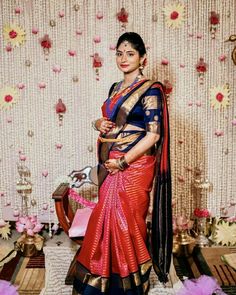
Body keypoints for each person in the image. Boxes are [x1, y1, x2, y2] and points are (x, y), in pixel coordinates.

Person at [73, 32, 172, 295]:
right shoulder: (115, 89)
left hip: (134, 168)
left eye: (130, 54)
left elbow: (153, 134)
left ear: (142, 59)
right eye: (119, 53)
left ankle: (130, 285)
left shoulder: (151, 89)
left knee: (128, 224)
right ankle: (103, 280)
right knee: (104, 222)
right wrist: (97, 123)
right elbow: (109, 121)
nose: (123, 58)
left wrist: (124, 162)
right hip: (110, 165)